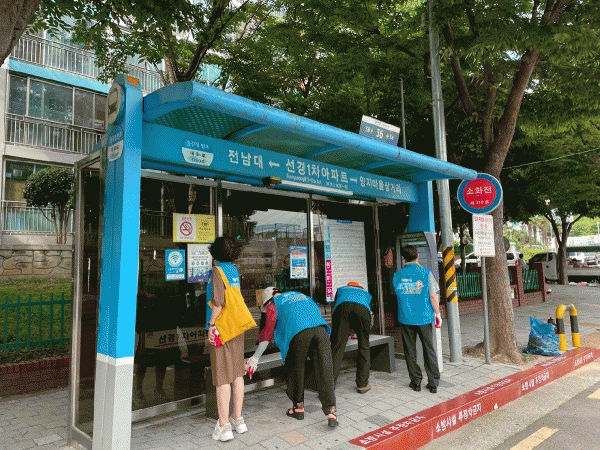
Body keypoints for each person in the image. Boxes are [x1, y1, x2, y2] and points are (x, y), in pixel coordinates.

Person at [246, 288, 339, 427]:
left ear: (267, 302)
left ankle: (298, 409)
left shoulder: (273, 304)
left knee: (296, 368)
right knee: (324, 369)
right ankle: (331, 413)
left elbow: (268, 332)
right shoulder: (301, 295)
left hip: (299, 333)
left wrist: (255, 358)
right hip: (321, 330)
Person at [206, 237, 256, 442]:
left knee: (222, 378)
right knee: (237, 373)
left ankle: (224, 426)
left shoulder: (217, 271)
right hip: (237, 327)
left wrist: (211, 325)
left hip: (222, 329)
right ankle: (239, 420)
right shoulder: (233, 270)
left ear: (215, 251)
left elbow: (218, 303)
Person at [393, 245, 442, 394]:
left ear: (403, 258)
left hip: (406, 318)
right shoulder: (426, 273)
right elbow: (433, 296)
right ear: (417, 256)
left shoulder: (397, 276)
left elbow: (398, 293)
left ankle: (415, 382)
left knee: (410, 351)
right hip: (424, 318)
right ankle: (433, 383)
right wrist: (438, 314)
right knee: (429, 349)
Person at [330, 281, 373, 393]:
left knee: (337, 347)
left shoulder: (341, 290)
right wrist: (361, 332)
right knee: (364, 346)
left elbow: (337, 311)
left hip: (343, 308)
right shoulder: (365, 293)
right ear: (359, 287)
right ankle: (362, 384)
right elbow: (369, 314)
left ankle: (329, 386)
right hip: (362, 310)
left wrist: (337, 335)